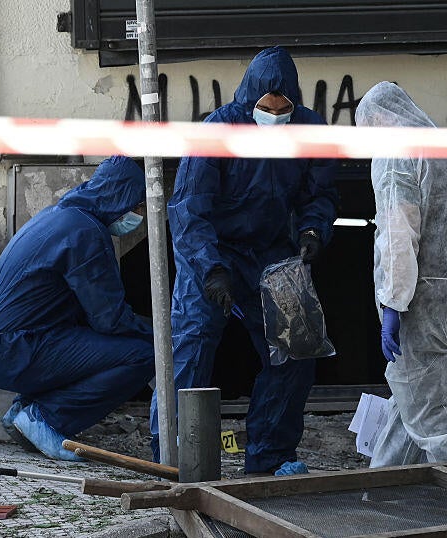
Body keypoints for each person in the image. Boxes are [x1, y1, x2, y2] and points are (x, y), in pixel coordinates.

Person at [156, 46, 338, 475]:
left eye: (282, 108)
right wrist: (211, 269)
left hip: (271, 252)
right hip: (212, 251)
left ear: (295, 102)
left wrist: (313, 231)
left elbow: (321, 193)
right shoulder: (217, 131)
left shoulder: (311, 129)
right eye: (265, 107)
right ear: (249, 99)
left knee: (297, 346)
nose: (274, 115)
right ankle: (172, 455)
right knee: (193, 344)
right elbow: (188, 210)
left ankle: (270, 454)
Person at [0, 156, 155, 461]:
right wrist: (156, 334)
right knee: (144, 354)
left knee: (79, 337)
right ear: (120, 198)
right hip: (12, 350)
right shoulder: (86, 233)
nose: (140, 215)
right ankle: (47, 416)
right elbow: (109, 318)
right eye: (139, 206)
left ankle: (23, 410)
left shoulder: (57, 216)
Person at [356, 81, 447, 467]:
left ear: (377, 120)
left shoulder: (398, 150)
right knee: (413, 407)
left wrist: (393, 303)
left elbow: (398, 233)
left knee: (437, 424)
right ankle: (379, 490)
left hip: (427, 307)